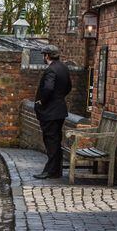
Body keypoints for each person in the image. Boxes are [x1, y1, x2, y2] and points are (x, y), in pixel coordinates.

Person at [33, 45, 72, 180]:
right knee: (56, 140)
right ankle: (56, 170)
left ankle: (49, 171)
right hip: (60, 110)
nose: (43, 57)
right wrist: (59, 98)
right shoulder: (63, 68)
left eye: (44, 55)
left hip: (50, 112)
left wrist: (41, 101)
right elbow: (69, 87)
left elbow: (48, 88)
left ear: (47, 56)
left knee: (51, 141)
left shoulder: (51, 70)